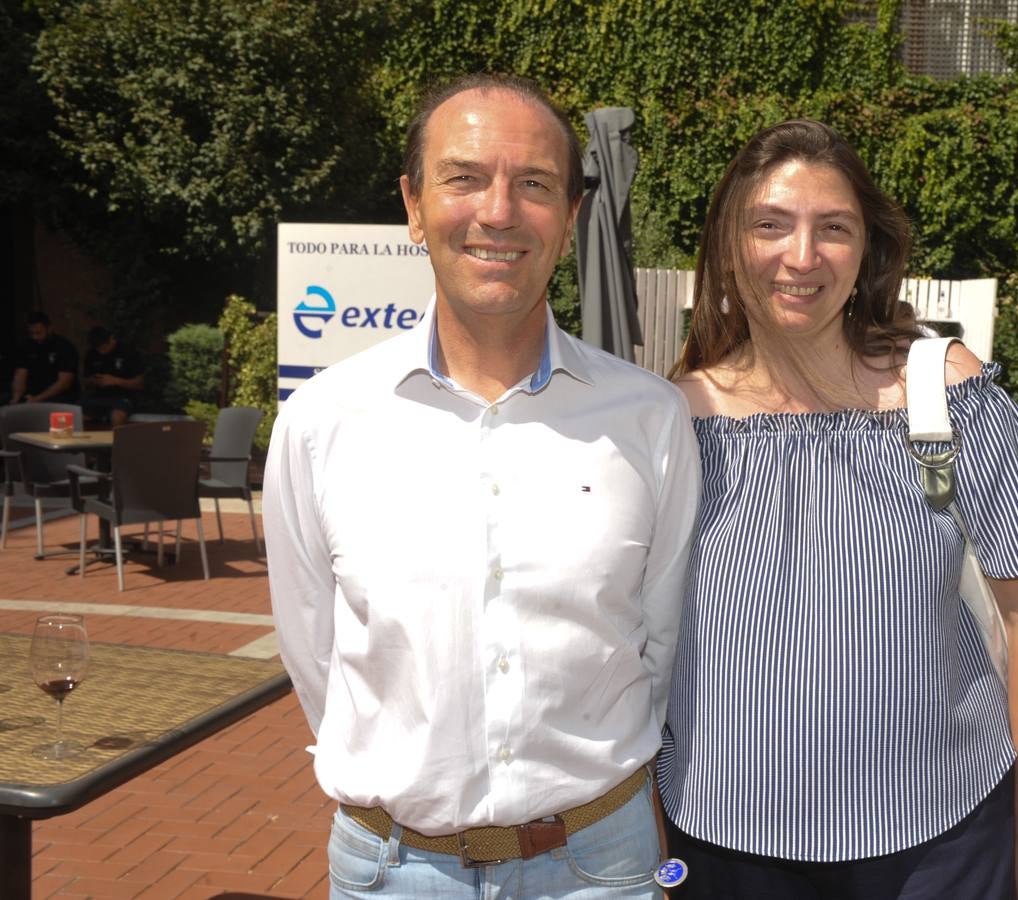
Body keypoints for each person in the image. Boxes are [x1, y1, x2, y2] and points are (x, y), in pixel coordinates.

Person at [263, 73, 701, 899]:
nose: (497, 211)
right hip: (393, 873)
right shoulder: (323, 421)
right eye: (463, 177)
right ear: (413, 204)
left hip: (600, 867)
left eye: (534, 184)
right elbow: (312, 651)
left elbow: (658, 643)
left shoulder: (649, 418)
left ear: (571, 218)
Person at [656, 120, 1018, 900]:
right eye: (770, 225)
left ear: (868, 251)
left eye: (834, 228)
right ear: (729, 244)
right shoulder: (669, 418)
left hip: (943, 843)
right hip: (720, 840)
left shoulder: (946, 390)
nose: (801, 256)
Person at [9, 312, 80, 406]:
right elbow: (20, 376)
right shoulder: (26, 346)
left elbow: (64, 383)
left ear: (49, 329)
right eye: (31, 333)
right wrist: (16, 397)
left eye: (38, 333)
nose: (35, 337)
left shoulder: (64, 347)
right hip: (32, 395)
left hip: (59, 396)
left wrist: (37, 399)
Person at [82, 326, 145, 426]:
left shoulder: (128, 351)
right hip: (99, 395)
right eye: (99, 349)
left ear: (111, 339)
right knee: (78, 414)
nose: (101, 351)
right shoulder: (92, 354)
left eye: (104, 347)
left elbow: (140, 383)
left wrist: (115, 381)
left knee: (117, 416)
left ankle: (118, 441)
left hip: (124, 396)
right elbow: (85, 380)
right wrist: (93, 381)